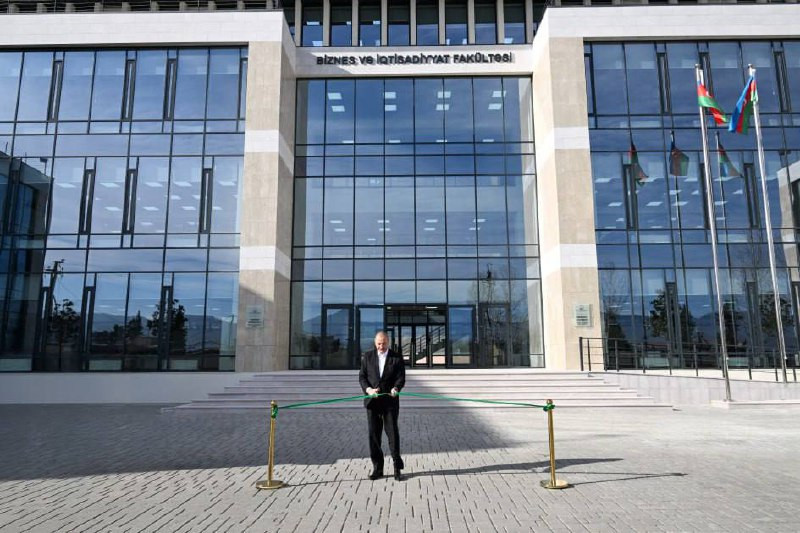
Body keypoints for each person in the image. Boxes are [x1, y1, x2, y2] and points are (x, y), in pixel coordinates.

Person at [358, 330, 406, 481]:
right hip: (372, 402)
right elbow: (362, 377)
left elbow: (401, 377)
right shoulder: (367, 356)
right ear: (375, 343)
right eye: (379, 343)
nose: (381, 346)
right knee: (374, 436)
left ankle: (397, 468)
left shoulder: (396, 357)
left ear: (388, 342)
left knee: (392, 434)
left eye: (384, 343)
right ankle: (378, 468)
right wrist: (368, 390)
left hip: (390, 402)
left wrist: (396, 388)